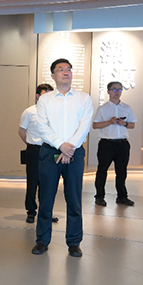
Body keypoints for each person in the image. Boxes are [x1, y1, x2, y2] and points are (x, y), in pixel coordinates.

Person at [32, 58, 93, 258]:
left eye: (68, 69)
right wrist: (61, 146)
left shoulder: (84, 98)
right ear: (53, 75)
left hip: (75, 152)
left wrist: (69, 148)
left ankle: (74, 242)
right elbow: (42, 127)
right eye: (60, 70)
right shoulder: (45, 100)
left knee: (74, 198)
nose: (66, 72)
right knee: (46, 198)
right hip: (50, 152)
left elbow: (85, 126)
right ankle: (42, 240)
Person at [18, 83, 59, 224]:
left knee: (48, 183)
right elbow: (21, 131)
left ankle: (46, 212)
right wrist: (31, 143)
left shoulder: (55, 112)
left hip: (50, 150)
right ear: (37, 96)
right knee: (32, 182)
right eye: (44, 95)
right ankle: (31, 211)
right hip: (34, 150)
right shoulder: (29, 112)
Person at [93, 81, 137, 206]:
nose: (117, 92)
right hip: (107, 144)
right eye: (114, 89)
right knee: (102, 171)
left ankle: (122, 197)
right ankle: (99, 197)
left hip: (122, 144)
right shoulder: (102, 108)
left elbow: (132, 124)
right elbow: (95, 125)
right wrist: (109, 122)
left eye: (119, 89)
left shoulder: (127, 108)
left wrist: (125, 123)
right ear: (108, 91)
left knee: (121, 172)